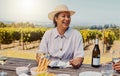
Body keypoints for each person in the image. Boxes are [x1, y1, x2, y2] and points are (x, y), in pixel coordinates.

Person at [36, 4, 84, 68]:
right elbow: (41, 53)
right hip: (50, 68)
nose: (67, 19)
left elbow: (79, 56)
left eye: (68, 16)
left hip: (69, 69)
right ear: (56, 18)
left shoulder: (76, 35)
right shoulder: (48, 34)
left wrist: (77, 61)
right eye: (63, 16)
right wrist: (40, 57)